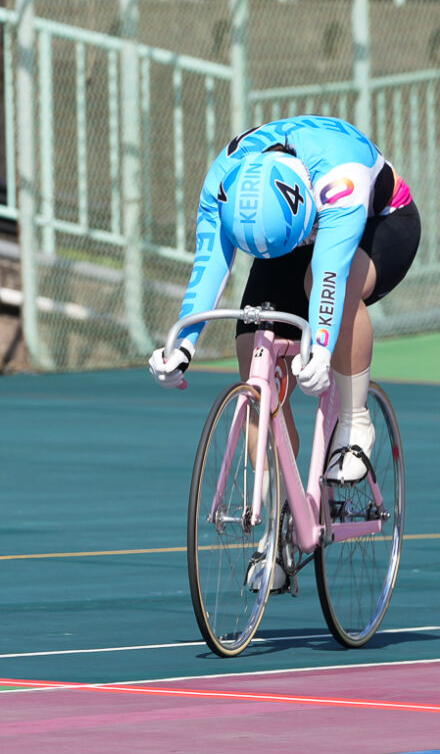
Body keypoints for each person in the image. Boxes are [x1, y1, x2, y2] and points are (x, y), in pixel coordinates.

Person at [149, 114, 421, 483]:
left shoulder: (341, 175)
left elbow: (329, 275)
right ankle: (282, 503)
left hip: (379, 223)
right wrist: (182, 345)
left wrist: (322, 348)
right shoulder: (223, 180)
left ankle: (356, 423)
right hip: (287, 238)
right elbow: (209, 266)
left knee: (324, 285)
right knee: (251, 339)